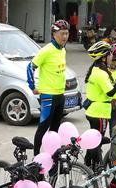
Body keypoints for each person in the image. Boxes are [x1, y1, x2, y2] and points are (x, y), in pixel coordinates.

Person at [29, 20, 70, 153]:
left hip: (60, 95)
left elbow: (58, 69)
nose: (65, 36)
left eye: (67, 33)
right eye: (62, 33)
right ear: (54, 34)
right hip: (48, 96)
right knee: (43, 127)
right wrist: (32, 86)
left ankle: (52, 157)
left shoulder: (62, 50)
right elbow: (30, 67)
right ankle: (35, 157)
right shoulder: (46, 50)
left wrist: (64, 81)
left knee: (55, 130)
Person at [83, 40, 116, 167]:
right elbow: (110, 93)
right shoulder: (101, 74)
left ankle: (88, 164)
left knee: (92, 139)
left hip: (92, 111)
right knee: (97, 141)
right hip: (100, 112)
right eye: (109, 55)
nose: (111, 57)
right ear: (103, 57)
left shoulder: (94, 69)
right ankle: (96, 166)